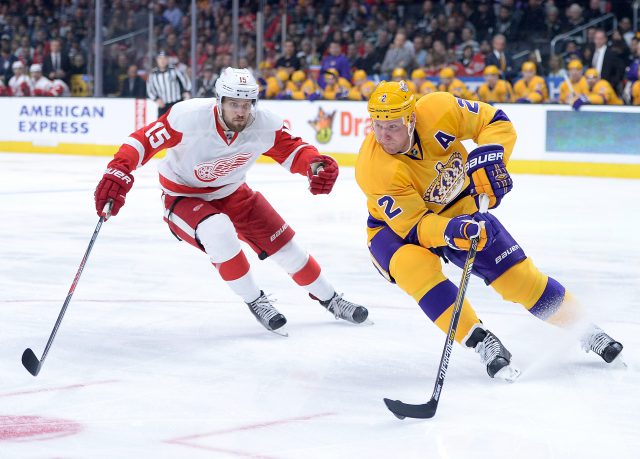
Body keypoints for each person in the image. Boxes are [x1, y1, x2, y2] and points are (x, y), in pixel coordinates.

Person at [354, 81, 623, 379]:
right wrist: (451, 230)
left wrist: (493, 157)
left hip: (460, 206)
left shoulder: (439, 108)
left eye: (391, 126)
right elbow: (417, 226)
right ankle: (481, 341)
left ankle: (583, 327)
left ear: (411, 118)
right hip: (395, 231)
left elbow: (495, 122)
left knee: (518, 280)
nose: (382, 135)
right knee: (416, 269)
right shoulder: (373, 168)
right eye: (376, 125)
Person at [93, 67, 368, 333]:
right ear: (219, 101)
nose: (240, 111)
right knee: (217, 229)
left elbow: (295, 150)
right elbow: (142, 141)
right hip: (183, 195)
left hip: (233, 192)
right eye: (234, 103)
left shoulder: (264, 124)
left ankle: (331, 299)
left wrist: (316, 166)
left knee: (287, 248)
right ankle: (255, 299)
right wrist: (119, 169)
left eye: (246, 104)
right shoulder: (188, 117)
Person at [147, 51, 191, 117]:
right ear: (157, 60)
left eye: (164, 58)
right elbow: (150, 89)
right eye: (160, 58)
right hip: (163, 105)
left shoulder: (174, 70)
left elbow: (185, 80)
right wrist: (156, 99)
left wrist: (186, 91)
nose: (162, 61)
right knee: (161, 125)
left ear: (167, 60)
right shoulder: (153, 74)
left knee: (178, 124)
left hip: (176, 103)